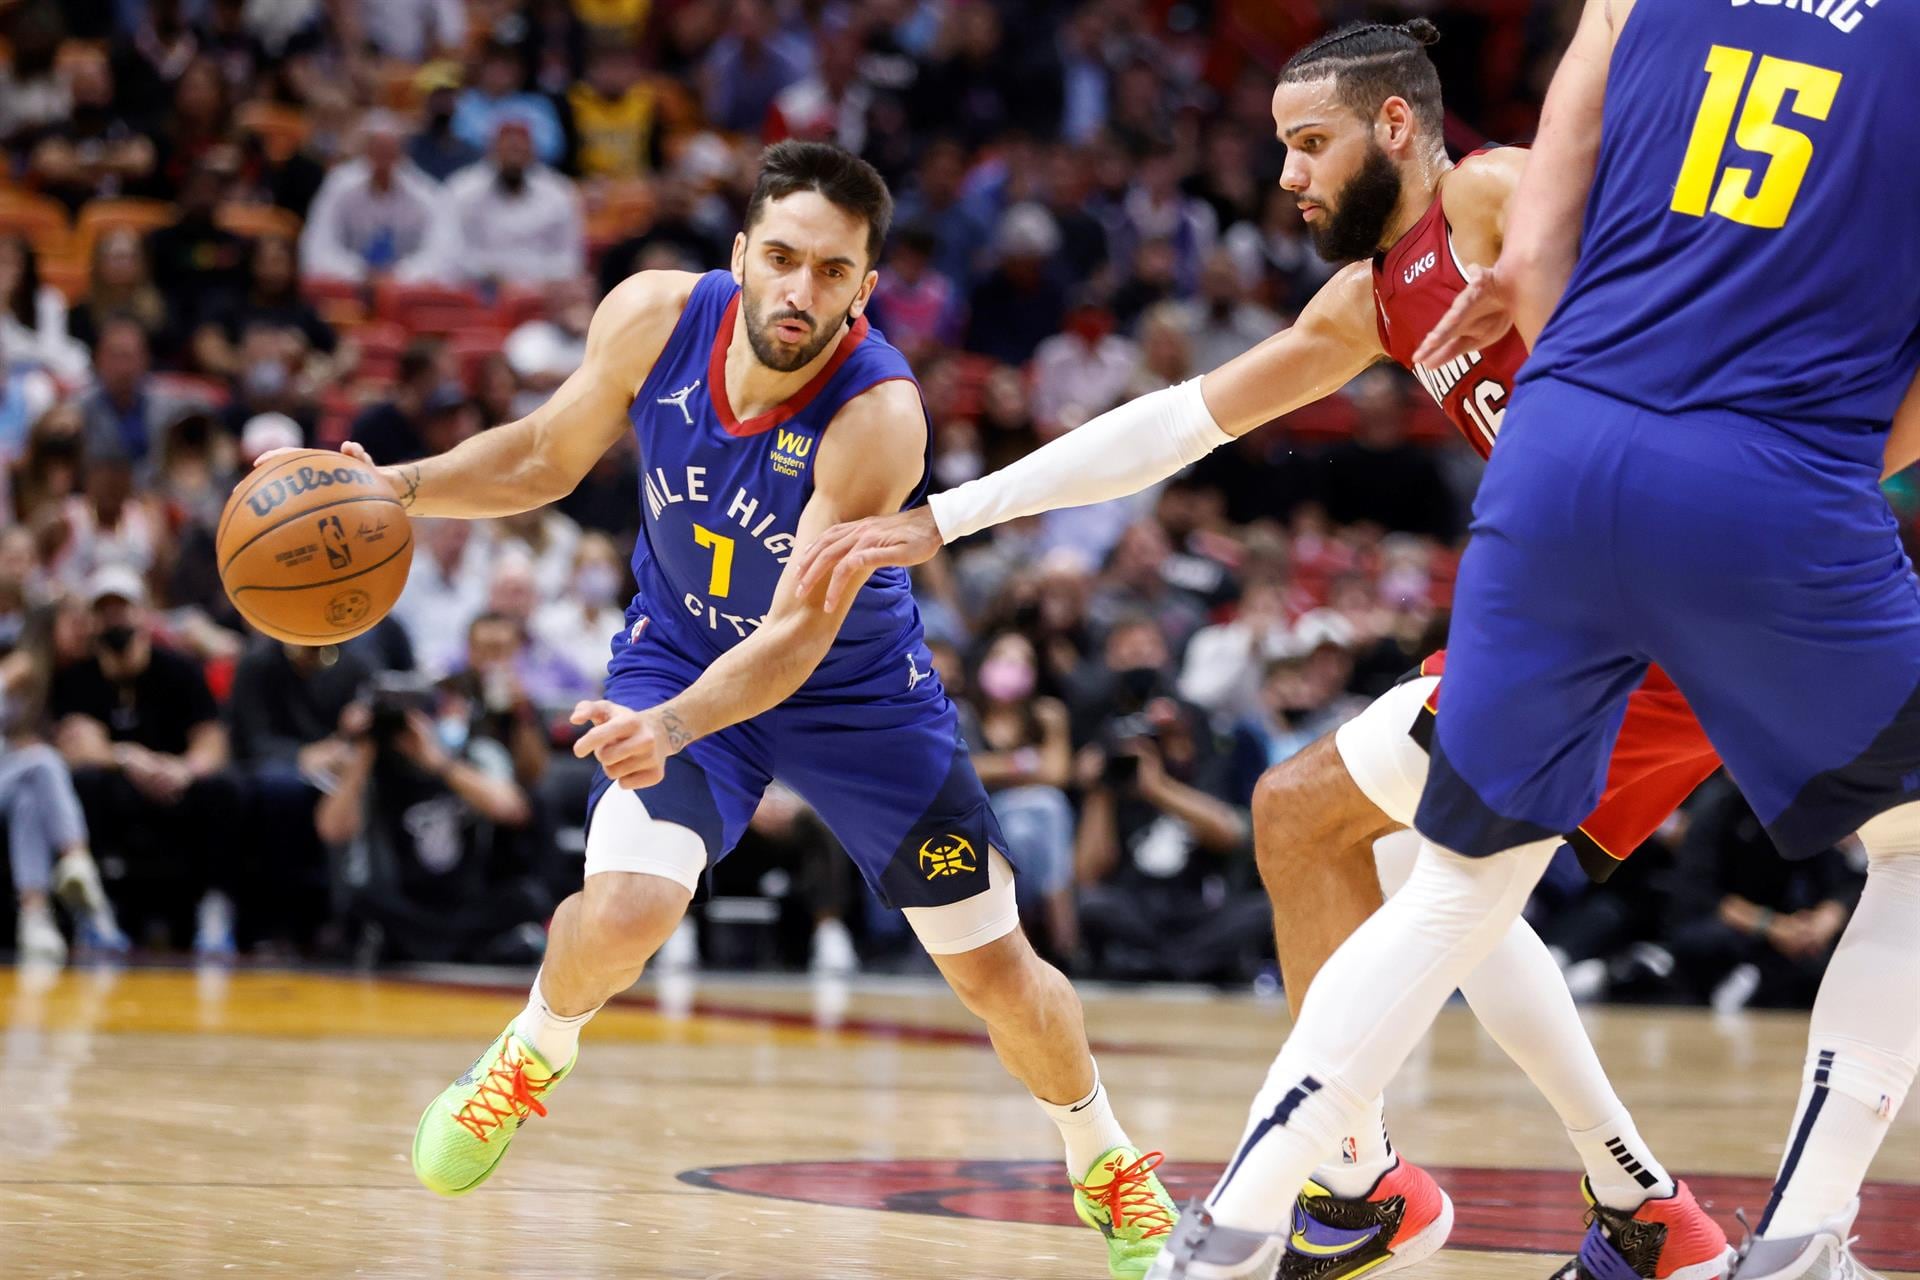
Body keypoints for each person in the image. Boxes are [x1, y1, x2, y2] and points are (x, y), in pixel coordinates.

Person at [792, 23, 1736, 1280]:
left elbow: (1699, 275)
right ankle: (1639, 1206)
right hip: (1599, 615)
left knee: (1300, 813)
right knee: (1426, 869)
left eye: (1310, 143)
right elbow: (1175, 427)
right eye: (1282, 147)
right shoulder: (1369, 296)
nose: (1287, 177)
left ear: (1396, 125)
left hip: (1659, 595)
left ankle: (1352, 1184)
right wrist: (950, 516)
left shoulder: (1497, 192)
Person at [281, 141, 1176, 1278]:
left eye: (833, 271)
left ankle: (1102, 1155)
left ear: (864, 289)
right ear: (743, 253)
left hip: (854, 699)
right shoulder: (655, 314)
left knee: (998, 973)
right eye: (785, 258)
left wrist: (670, 727)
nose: (802, 291)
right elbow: (547, 455)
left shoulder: (878, 415)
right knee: (621, 912)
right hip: (678, 653)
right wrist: (398, 485)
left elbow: (798, 634)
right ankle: (530, 1049)